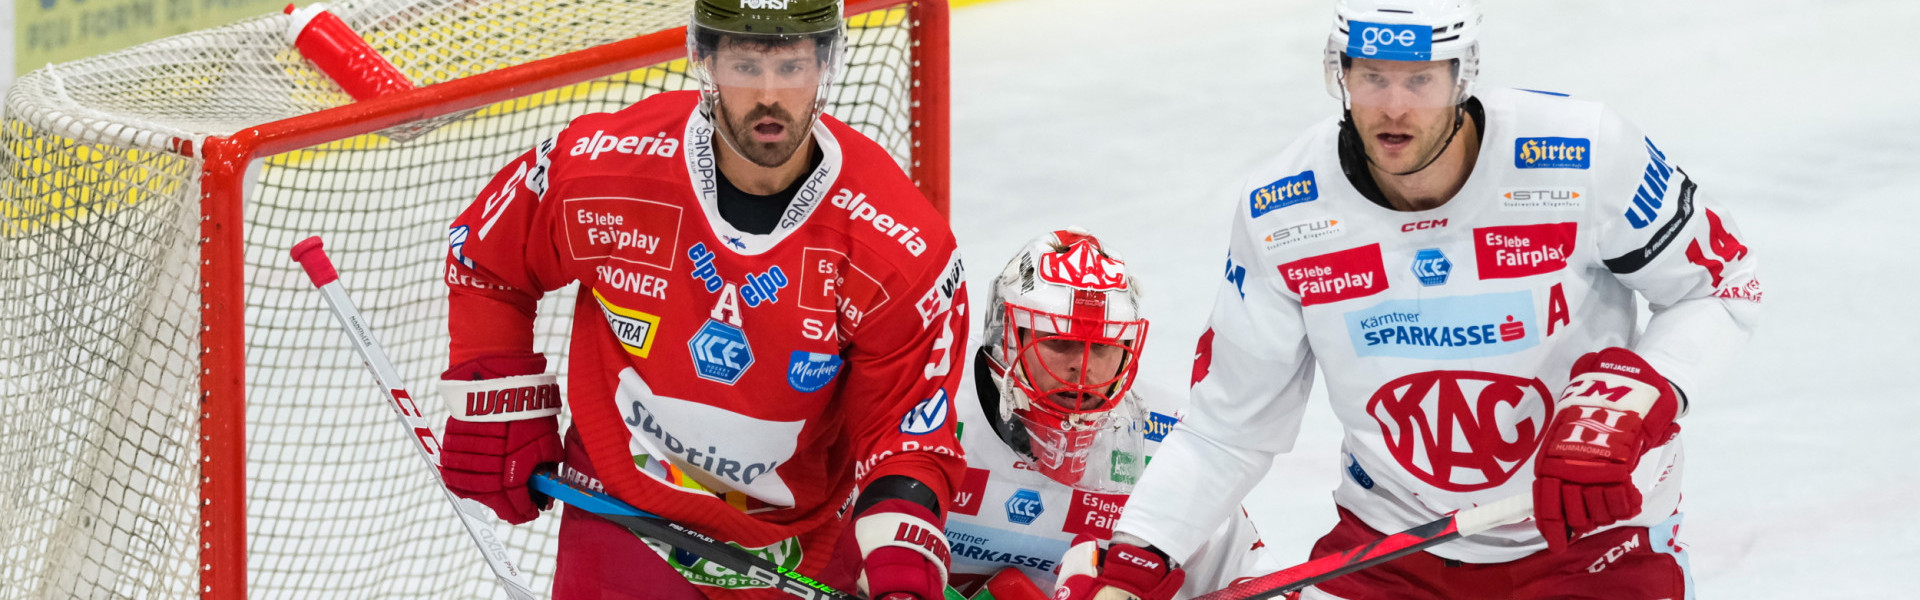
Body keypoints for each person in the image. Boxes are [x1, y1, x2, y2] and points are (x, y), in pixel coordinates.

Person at [1062, 0, 1762, 599]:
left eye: (1420, 79)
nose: (1394, 107)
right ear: (1340, 75)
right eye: (1373, 77)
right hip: (1393, 553)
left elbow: (1722, 285)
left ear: (1463, 75)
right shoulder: (1284, 210)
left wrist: (1635, 398)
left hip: (1594, 542)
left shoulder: (1582, 152)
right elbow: (1229, 427)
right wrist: (1138, 554)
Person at [434, 1, 971, 599]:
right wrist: (499, 399)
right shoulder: (604, 167)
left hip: (804, 539)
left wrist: (901, 550)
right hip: (625, 505)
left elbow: (906, 430)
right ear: (704, 60)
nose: (769, 96)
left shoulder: (899, 244)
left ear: (825, 65)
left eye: (791, 67)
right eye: (745, 66)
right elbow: (487, 258)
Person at [940, 229, 1269, 600]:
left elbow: (1247, 579)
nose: (1083, 370)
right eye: (1059, 342)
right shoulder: (932, 399)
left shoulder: (1167, 440)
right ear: (1008, 338)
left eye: (1102, 347)